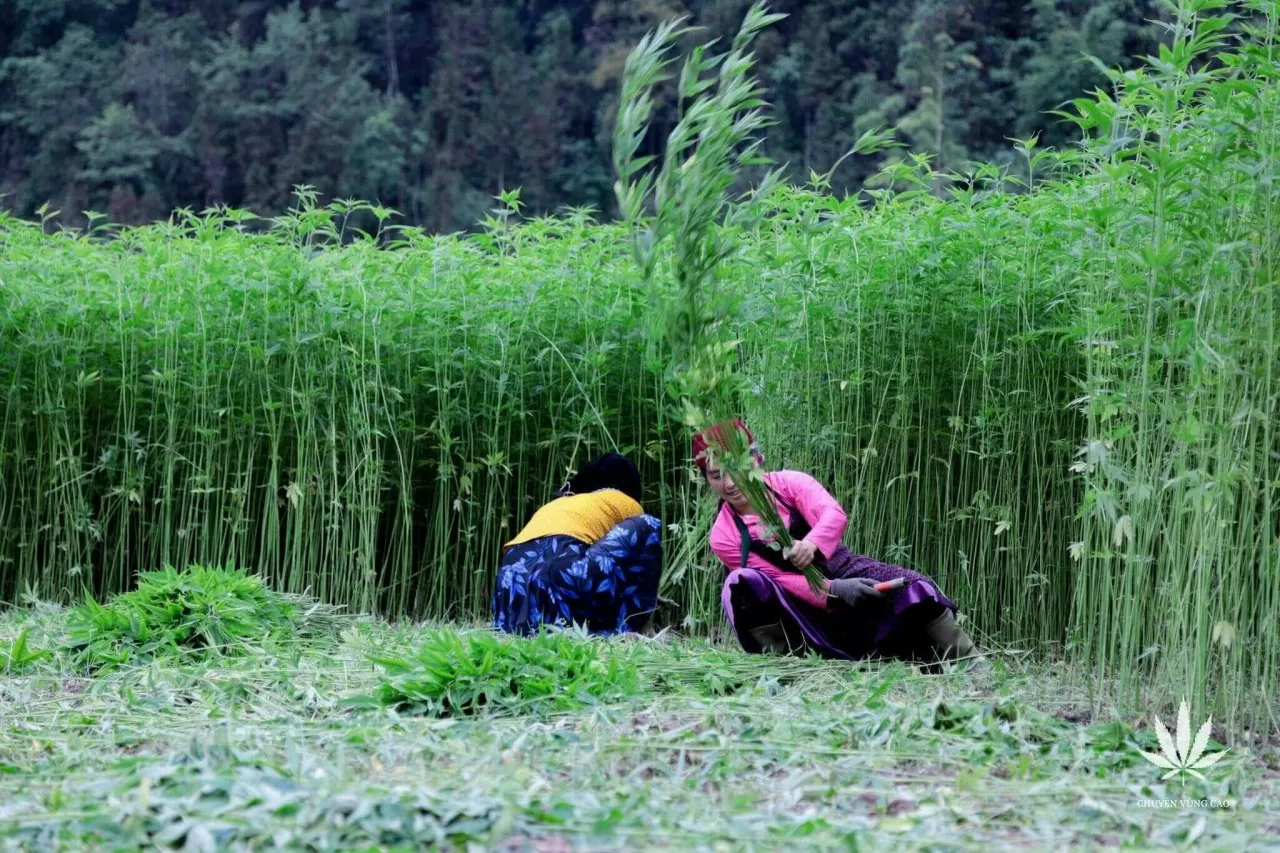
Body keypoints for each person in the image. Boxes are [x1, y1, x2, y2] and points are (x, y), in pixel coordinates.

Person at [693, 419, 974, 665]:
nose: (729, 483)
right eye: (717, 475)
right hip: (795, 605)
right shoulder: (724, 535)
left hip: (844, 569)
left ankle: (970, 663)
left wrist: (812, 544)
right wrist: (832, 590)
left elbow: (833, 514)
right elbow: (777, 578)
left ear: (755, 459)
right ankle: (783, 664)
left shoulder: (790, 483)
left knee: (912, 587)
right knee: (740, 582)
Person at [493, 452, 663, 636]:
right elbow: (627, 560)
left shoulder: (559, 504)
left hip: (509, 587)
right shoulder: (623, 502)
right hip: (563, 571)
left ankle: (577, 632)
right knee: (648, 524)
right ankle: (630, 628)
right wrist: (647, 599)